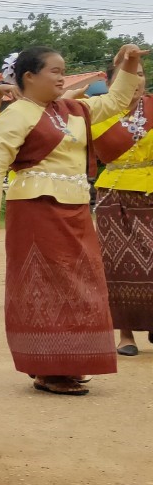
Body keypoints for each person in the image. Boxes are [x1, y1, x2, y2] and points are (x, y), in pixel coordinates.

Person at [0, 44, 145, 394]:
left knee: (82, 283)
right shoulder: (17, 114)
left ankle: (71, 361)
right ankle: (48, 367)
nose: (62, 76)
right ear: (29, 76)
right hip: (36, 210)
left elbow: (116, 101)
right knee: (45, 286)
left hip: (77, 208)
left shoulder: (74, 109)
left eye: (63, 70)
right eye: (54, 70)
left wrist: (131, 63)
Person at [89, 58, 153, 357]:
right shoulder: (100, 112)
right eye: (131, 75)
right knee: (116, 265)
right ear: (115, 81)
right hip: (113, 194)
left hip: (150, 189)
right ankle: (125, 334)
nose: (138, 80)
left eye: (141, 74)